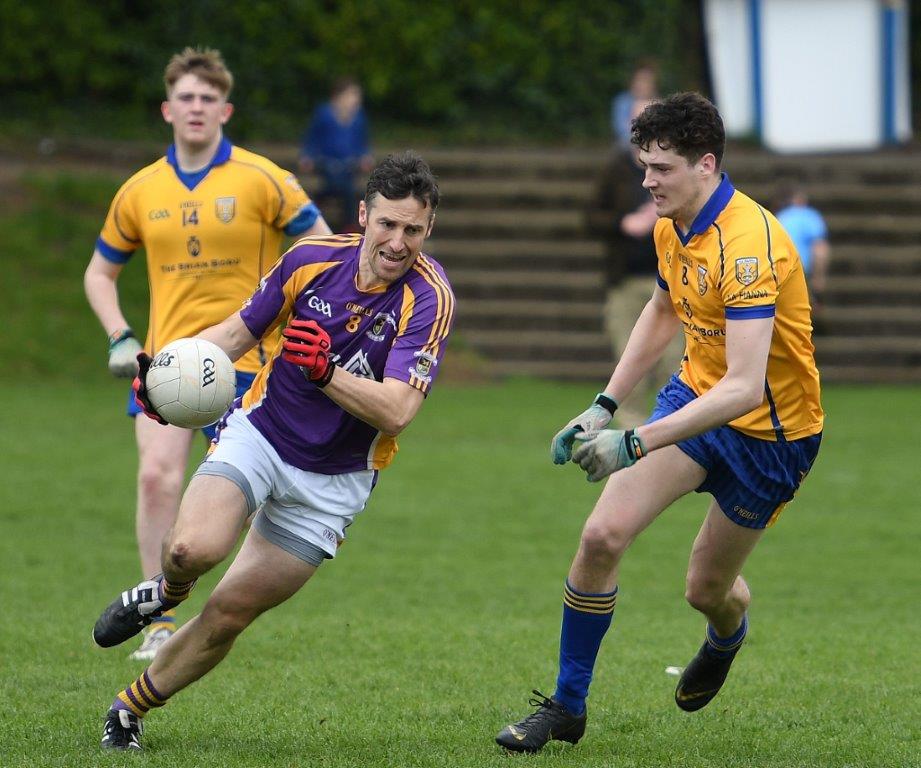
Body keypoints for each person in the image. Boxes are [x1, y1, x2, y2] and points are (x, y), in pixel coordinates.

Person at [92, 151, 454, 752]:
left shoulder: (429, 298)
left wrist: (325, 372)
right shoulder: (310, 260)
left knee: (230, 613)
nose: (397, 242)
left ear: (428, 229)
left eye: (412, 229)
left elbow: (398, 410)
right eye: (387, 224)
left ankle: (129, 709)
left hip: (336, 482)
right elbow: (235, 334)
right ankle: (166, 592)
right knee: (191, 548)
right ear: (363, 214)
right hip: (262, 434)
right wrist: (163, 374)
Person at [496, 93, 823, 754]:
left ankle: (726, 633)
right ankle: (566, 704)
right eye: (643, 164)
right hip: (693, 400)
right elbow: (659, 311)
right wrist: (605, 406)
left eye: (661, 168)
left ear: (705, 164)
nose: (646, 179)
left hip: (770, 438)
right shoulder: (670, 225)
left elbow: (742, 387)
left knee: (705, 589)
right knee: (600, 536)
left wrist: (635, 441)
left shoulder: (750, 246)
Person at [84, 47, 332, 662]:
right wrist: (120, 335)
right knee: (155, 478)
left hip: (247, 363)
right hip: (167, 366)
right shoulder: (140, 190)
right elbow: (98, 273)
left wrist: (297, 312)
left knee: (238, 497)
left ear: (225, 109)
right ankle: (159, 621)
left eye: (207, 99)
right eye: (185, 99)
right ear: (167, 109)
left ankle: (224, 614)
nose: (196, 108)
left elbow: (325, 246)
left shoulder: (262, 178)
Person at [587, 97, 684, 426]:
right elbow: (590, 217)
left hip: (674, 282)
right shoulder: (616, 168)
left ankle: (668, 433)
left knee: (675, 363)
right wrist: (623, 222)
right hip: (627, 280)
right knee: (631, 361)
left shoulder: (682, 167)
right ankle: (629, 439)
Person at [299, 76, 374, 232]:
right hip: (326, 162)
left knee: (347, 186)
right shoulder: (324, 114)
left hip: (348, 165)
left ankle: (346, 224)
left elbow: (362, 143)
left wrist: (365, 156)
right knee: (339, 182)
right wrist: (308, 156)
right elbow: (312, 139)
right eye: (352, 95)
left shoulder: (359, 117)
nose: (355, 100)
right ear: (339, 96)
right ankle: (344, 224)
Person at [775, 183, 831, 324]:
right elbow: (820, 247)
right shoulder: (810, 216)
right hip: (801, 268)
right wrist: (819, 280)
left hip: (778, 269)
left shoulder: (778, 217)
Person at [611, 61, 659, 148]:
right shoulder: (623, 101)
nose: (643, 85)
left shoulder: (658, 103)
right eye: (640, 80)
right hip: (630, 145)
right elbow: (621, 130)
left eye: (647, 81)